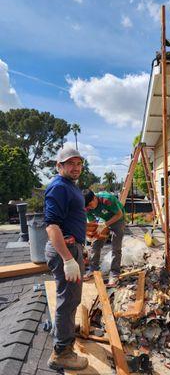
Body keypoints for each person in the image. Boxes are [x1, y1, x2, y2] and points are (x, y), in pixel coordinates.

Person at [44, 146, 88, 371]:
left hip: (72, 248)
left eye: (79, 163)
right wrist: (68, 259)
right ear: (58, 166)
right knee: (68, 300)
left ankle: (66, 329)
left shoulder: (71, 186)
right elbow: (52, 226)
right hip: (65, 252)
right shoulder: (59, 187)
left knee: (70, 300)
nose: (76, 167)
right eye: (70, 163)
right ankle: (61, 352)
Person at [83, 189, 125, 286]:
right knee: (95, 245)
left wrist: (105, 224)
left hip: (118, 220)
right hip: (104, 220)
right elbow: (92, 221)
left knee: (116, 248)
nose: (89, 208)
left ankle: (114, 274)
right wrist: (92, 234)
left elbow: (119, 214)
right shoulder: (87, 207)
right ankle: (93, 270)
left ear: (94, 198)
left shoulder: (107, 199)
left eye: (90, 205)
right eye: (87, 207)